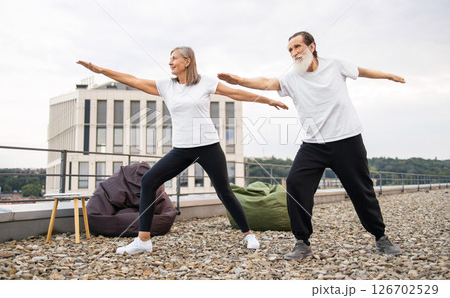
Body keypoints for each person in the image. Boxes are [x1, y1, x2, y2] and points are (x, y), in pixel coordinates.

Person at [77, 46, 288, 255]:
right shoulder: (166, 86)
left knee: (224, 190)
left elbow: (235, 92)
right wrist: (100, 70)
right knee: (149, 180)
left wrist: (268, 100)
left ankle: (249, 234)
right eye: (169, 58)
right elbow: (133, 80)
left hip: (208, 146)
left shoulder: (206, 82)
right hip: (182, 149)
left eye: (174, 58)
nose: (170, 62)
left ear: (187, 61)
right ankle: (143, 240)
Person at [218, 31, 405, 260]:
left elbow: (362, 71)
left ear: (312, 47)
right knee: (296, 184)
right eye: (290, 49)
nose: (294, 53)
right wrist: (239, 80)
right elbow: (267, 82)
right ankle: (302, 242)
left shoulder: (334, 65)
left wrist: (388, 76)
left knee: (361, 191)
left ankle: (381, 237)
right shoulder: (291, 77)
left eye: (298, 47)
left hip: (347, 139)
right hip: (314, 144)